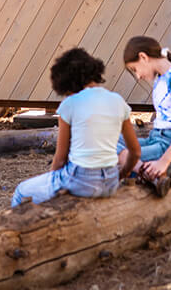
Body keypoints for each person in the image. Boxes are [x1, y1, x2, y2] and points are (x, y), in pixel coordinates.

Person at [10, 47, 141, 208]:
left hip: (81, 179)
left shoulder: (70, 104)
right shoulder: (118, 101)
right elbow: (135, 151)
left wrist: (53, 182)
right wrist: (123, 173)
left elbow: (60, 158)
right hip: (111, 181)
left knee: (21, 191)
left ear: (69, 83)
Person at [116, 35, 171, 198]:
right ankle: (147, 173)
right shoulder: (161, 80)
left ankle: (146, 172)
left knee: (109, 156)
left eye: (135, 69)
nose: (138, 76)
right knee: (107, 141)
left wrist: (163, 162)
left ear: (143, 57)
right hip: (156, 141)